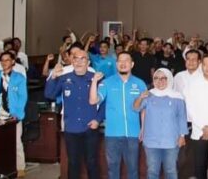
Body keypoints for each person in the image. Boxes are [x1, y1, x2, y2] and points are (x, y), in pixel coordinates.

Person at [45, 47, 103, 179]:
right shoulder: (64, 78)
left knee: (92, 163)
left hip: (90, 127)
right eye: (76, 59)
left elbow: (105, 103)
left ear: (88, 62)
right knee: (73, 163)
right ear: (72, 62)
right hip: (71, 128)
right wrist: (53, 77)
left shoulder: (96, 79)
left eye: (83, 59)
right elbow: (49, 94)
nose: (79, 62)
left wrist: (98, 119)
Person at [90, 51, 146, 179]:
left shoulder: (140, 83)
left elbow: (144, 109)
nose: (123, 63)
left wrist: (143, 128)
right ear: (116, 64)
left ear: (132, 64)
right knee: (112, 169)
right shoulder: (107, 82)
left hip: (133, 133)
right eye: (120, 60)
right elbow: (93, 101)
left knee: (133, 169)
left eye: (126, 60)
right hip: (112, 134)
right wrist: (94, 81)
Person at [133, 69, 187, 179]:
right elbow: (136, 108)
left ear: (169, 79)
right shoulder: (149, 95)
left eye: (163, 78)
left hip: (171, 141)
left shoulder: (177, 96)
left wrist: (182, 136)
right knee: (152, 171)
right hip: (151, 141)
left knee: (170, 171)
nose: (160, 81)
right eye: (156, 78)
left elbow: (182, 117)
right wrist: (140, 97)